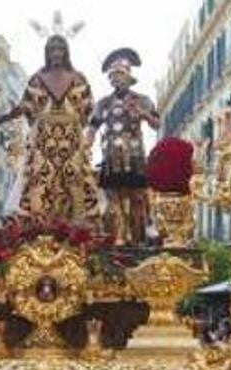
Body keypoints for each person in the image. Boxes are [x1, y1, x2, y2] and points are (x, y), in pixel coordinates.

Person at [0, 34, 100, 222]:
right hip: (43, 139)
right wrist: (3, 118)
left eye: (59, 49)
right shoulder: (36, 79)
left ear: (66, 52)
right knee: (40, 179)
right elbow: (25, 107)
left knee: (74, 179)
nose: (56, 53)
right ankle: (40, 226)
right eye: (52, 49)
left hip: (71, 139)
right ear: (47, 52)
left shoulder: (79, 79)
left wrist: (73, 124)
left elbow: (88, 109)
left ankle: (76, 229)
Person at [89, 47, 159, 244]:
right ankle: (119, 235)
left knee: (137, 196)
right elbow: (93, 126)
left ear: (128, 77)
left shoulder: (142, 100)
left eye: (119, 75)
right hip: (111, 155)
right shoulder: (103, 103)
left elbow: (156, 124)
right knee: (113, 197)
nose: (115, 79)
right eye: (112, 76)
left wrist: (140, 112)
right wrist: (86, 145)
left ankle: (138, 236)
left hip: (135, 154)